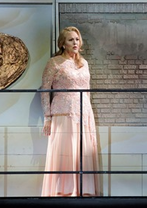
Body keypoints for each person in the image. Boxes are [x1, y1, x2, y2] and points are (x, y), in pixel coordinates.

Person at [40, 26, 99, 196]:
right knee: (65, 155)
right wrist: (47, 117)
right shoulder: (54, 63)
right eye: (71, 40)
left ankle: (83, 190)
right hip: (63, 114)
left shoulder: (84, 63)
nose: (75, 43)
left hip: (84, 114)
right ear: (63, 43)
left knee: (82, 152)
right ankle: (63, 191)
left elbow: (87, 90)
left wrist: (90, 113)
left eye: (77, 39)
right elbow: (45, 90)